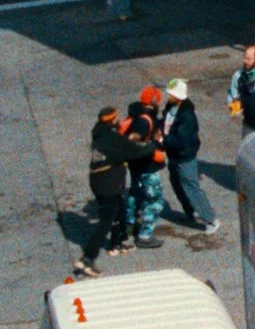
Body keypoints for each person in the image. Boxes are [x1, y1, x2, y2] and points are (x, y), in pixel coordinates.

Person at [78, 106, 154, 277]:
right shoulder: (114, 139)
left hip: (98, 181)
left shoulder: (99, 133)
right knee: (105, 220)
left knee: (119, 207)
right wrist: (153, 144)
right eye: (117, 118)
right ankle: (87, 258)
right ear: (113, 120)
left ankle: (116, 243)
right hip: (109, 183)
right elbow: (137, 150)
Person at [158, 78, 218, 234]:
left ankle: (210, 219)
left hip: (184, 157)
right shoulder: (171, 107)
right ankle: (190, 212)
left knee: (191, 187)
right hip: (173, 155)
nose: (167, 96)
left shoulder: (187, 116)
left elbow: (182, 140)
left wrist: (163, 140)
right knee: (177, 184)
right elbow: (165, 123)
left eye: (170, 93)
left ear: (178, 96)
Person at [124, 87, 167, 243]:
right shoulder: (145, 121)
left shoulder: (136, 114)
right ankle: (145, 235)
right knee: (155, 200)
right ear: (154, 102)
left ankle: (129, 225)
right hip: (147, 167)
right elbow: (132, 140)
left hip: (135, 165)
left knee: (135, 193)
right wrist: (153, 146)